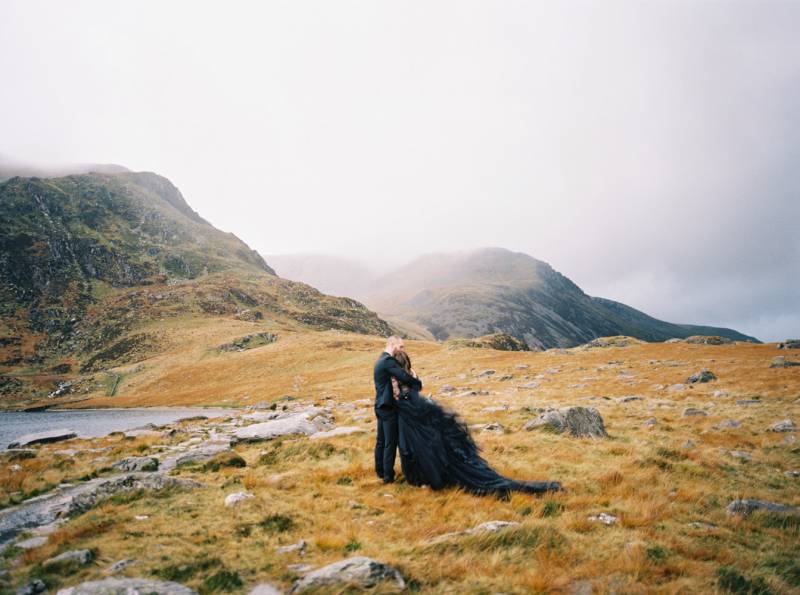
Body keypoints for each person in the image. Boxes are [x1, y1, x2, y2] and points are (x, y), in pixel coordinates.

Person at [391, 349, 563, 497]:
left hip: (408, 415)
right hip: (421, 411)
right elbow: (417, 388)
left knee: (410, 447)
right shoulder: (412, 374)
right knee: (431, 446)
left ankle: (421, 478)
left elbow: (395, 397)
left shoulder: (395, 378)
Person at [373, 336, 422, 483]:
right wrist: (418, 383)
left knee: (381, 441)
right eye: (401, 347)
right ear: (392, 344)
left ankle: (380, 471)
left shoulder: (380, 359)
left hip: (380, 405)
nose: (402, 350)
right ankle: (388, 476)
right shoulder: (388, 361)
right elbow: (403, 377)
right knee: (390, 443)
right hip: (388, 407)